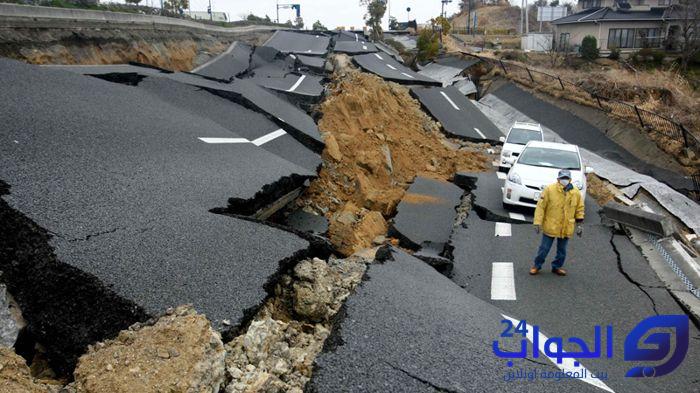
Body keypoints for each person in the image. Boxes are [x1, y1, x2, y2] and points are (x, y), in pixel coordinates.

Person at [529, 169, 584, 276]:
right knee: (544, 248)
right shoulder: (549, 190)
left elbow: (579, 208)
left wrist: (580, 224)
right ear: (558, 179)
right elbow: (541, 207)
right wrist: (537, 222)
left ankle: (557, 267)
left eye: (566, 178)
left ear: (570, 179)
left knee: (562, 250)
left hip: (566, 226)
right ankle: (537, 265)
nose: (564, 180)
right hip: (551, 225)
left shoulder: (576, 192)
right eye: (562, 178)